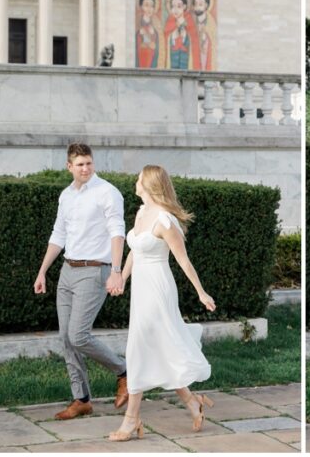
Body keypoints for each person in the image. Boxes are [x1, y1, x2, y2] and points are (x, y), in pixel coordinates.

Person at [108, 165, 217, 441]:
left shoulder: (166, 221)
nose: (135, 181)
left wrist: (201, 292)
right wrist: (121, 277)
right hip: (141, 289)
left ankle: (131, 420)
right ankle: (193, 402)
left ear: (149, 184)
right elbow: (134, 251)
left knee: (139, 348)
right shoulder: (142, 213)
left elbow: (183, 260)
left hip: (158, 289)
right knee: (157, 348)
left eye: (139, 178)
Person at [34, 143, 129, 420]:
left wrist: (116, 270)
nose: (86, 168)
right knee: (66, 338)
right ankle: (82, 399)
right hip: (68, 271)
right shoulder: (66, 196)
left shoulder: (107, 192)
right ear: (69, 166)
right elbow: (58, 235)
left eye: (89, 163)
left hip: (94, 270)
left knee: (78, 335)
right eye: (80, 164)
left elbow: (117, 232)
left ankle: (123, 371)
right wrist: (42, 271)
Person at [162, 0, 198, 70]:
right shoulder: (169, 22)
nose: (175, 10)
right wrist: (172, 36)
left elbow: (194, 40)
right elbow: (165, 40)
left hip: (185, 61)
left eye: (179, 6)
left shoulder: (189, 21)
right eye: (173, 7)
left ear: (184, 7)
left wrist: (185, 35)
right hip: (172, 60)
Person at [191, 0, 217, 71]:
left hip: (205, 55)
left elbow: (213, 40)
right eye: (195, 4)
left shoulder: (211, 23)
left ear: (206, 5)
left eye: (200, 4)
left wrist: (205, 37)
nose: (197, 7)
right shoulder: (191, 21)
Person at [136, 0, 161, 68]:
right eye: (146, 5)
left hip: (151, 61)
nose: (149, 9)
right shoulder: (137, 26)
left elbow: (156, 49)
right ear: (141, 7)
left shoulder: (155, 29)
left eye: (152, 6)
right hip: (140, 61)